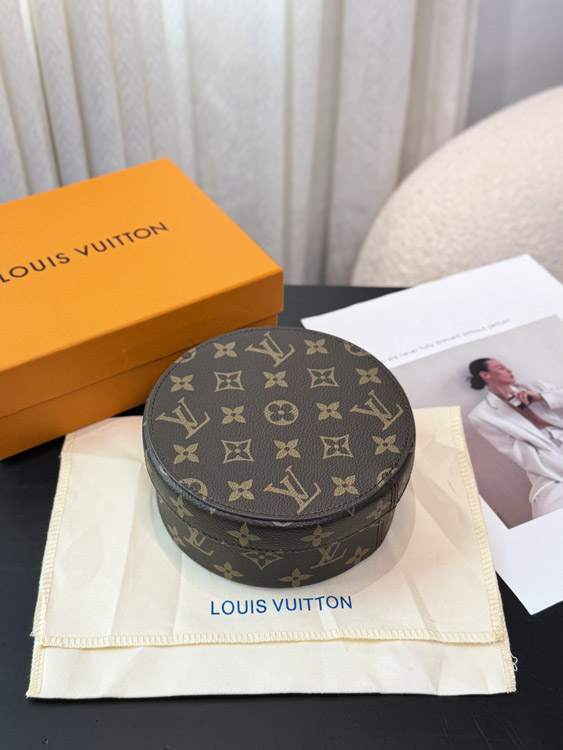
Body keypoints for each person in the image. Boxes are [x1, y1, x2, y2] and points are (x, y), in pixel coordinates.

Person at [467, 358, 563, 519]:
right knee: (548, 509)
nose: (509, 370)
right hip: (546, 460)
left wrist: (541, 397)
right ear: (485, 375)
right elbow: (520, 454)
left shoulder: (535, 387)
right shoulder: (481, 415)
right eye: (501, 368)